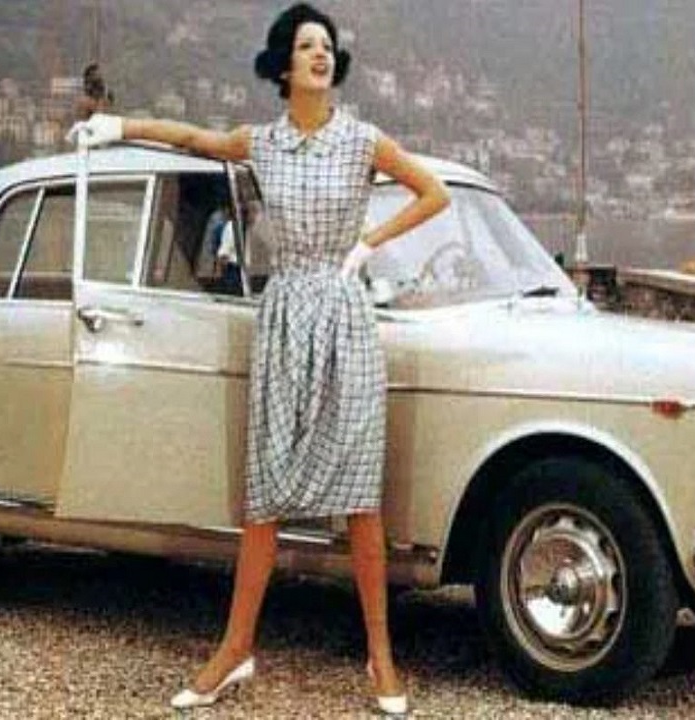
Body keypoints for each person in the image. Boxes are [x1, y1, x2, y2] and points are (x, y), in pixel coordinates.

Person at [69, 3, 449, 714]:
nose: (321, 55)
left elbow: (435, 194)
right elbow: (192, 137)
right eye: (307, 46)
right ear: (283, 65)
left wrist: (368, 245)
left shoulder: (363, 140)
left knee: (360, 498)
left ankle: (381, 657)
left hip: (346, 319)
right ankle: (235, 648)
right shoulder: (263, 144)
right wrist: (118, 127)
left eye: (327, 46)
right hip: (283, 318)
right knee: (266, 496)